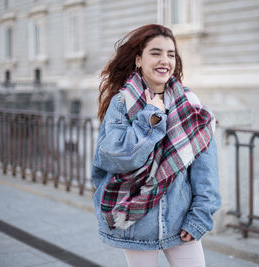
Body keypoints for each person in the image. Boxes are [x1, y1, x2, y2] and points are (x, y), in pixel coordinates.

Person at [91, 24, 221, 267]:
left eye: (170, 54)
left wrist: (200, 216)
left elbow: (207, 169)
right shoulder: (122, 103)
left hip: (181, 222)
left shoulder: (190, 105)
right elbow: (114, 158)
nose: (165, 60)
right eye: (156, 53)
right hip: (134, 222)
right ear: (138, 60)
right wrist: (151, 117)